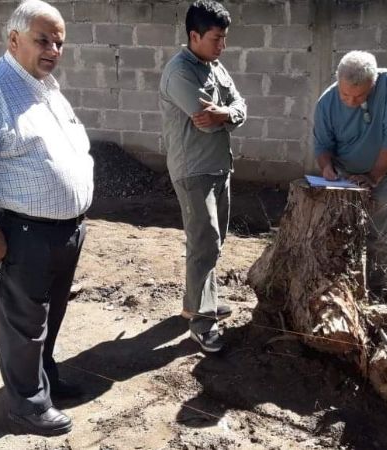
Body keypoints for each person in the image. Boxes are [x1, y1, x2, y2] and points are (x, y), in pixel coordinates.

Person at [0, 0, 92, 437]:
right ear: (13, 39)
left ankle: (44, 380)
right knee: (23, 322)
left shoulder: (45, 87)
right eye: (42, 40)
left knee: (49, 316)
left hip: (64, 229)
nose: (53, 49)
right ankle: (26, 405)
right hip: (20, 231)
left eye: (59, 42)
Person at [159, 0, 247, 353]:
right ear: (194, 36)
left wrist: (225, 113)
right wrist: (228, 116)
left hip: (218, 167)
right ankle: (201, 321)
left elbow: (240, 107)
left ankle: (196, 301)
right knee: (204, 242)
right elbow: (205, 125)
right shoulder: (180, 73)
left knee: (213, 241)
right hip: (193, 170)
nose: (222, 46)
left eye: (224, 39)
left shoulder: (216, 67)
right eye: (216, 39)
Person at [313, 50, 387, 302]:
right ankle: (345, 298)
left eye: (360, 95)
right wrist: (326, 168)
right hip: (345, 179)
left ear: (373, 83)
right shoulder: (326, 103)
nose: (352, 101)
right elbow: (322, 146)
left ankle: (380, 297)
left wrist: (374, 175)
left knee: (380, 240)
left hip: (383, 173)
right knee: (343, 240)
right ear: (338, 81)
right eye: (345, 95)